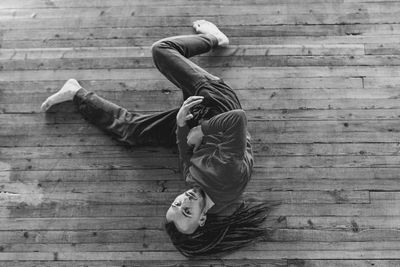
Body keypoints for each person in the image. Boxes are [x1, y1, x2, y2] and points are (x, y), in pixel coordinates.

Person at [41, 20, 274, 257]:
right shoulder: (227, 176)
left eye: (177, 205)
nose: (184, 200)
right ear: (202, 219)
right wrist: (201, 130)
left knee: (131, 132)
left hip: (195, 123)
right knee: (161, 50)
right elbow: (238, 119)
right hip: (219, 106)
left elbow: (184, 153)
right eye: (187, 211)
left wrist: (182, 124)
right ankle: (214, 38)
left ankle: (75, 92)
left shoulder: (194, 186)